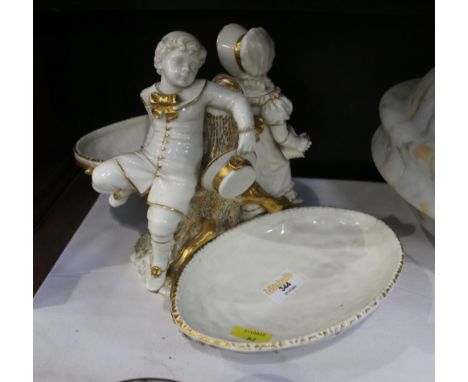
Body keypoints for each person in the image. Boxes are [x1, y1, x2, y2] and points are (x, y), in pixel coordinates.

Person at [92, 31, 256, 292]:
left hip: (179, 172)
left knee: (161, 223)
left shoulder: (202, 91)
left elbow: (236, 100)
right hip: (145, 159)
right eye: (179, 62)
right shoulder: (148, 94)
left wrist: (247, 130)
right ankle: (127, 185)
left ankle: (159, 262)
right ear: (160, 63)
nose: (185, 70)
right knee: (99, 178)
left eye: (192, 66)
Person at [217, 24, 311, 220]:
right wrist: (297, 143)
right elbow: (281, 134)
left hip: (243, 149)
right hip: (263, 148)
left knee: (252, 171)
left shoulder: (228, 89)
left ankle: (254, 206)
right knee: (275, 167)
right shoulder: (267, 96)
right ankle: (267, 202)